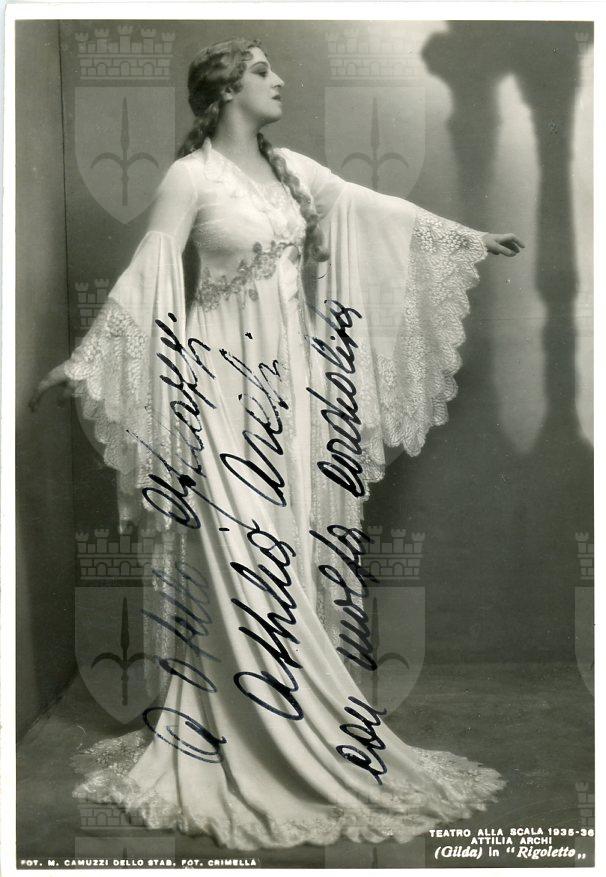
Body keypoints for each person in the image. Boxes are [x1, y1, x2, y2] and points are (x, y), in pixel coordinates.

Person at [29, 38, 525, 849]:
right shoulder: (190, 177)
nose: (279, 79)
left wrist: (467, 237)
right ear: (225, 89)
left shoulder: (290, 168)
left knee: (285, 553)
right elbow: (151, 269)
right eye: (262, 71)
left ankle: (291, 708)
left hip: (289, 398)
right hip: (216, 394)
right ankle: (237, 724)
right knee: (236, 556)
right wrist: (85, 361)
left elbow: (370, 208)